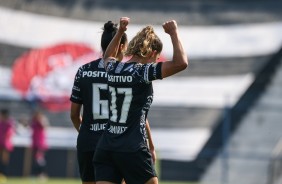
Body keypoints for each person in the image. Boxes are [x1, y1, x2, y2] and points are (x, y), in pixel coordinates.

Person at [93, 17, 188, 184]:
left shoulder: (115, 67)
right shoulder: (143, 72)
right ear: (152, 53)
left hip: (107, 146)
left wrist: (121, 32)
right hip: (132, 147)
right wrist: (173, 33)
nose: (155, 62)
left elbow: (107, 55)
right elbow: (181, 63)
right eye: (156, 58)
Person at [70, 21, 156, 184]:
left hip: (88, 142)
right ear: (122, 45)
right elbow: (136, 113)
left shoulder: (83, 71)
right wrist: (151, 145)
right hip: (116, 142)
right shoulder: (124, 72)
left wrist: (87, 132)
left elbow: (74, 114)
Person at [30, 110, 49, 178]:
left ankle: (42, 173)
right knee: (36, 159)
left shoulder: (41, 122)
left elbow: (44, 126)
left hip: (40, 144)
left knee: (39, 159)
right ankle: (38, 174)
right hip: (35, 144)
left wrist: (41, 119)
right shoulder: (34, 123)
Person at [0, 109, 15, 182]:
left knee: (4, 160)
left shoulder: (9, 123)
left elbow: (9, 133)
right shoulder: (1, 123)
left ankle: (4, 174)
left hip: (5, 144)